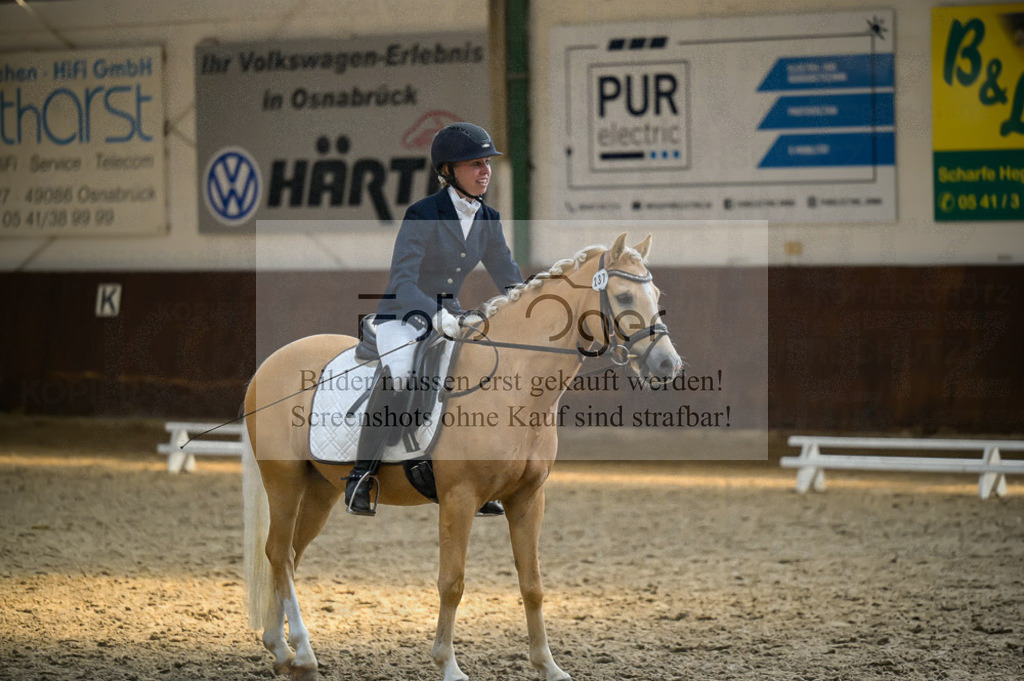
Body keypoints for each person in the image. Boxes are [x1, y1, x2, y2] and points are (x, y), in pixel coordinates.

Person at [346, 122, 524, 516]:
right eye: (475, 164)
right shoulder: (423, 213)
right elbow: (402, 281)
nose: (485, 171)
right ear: (448, 171)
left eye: (487, 163)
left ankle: (474, 477)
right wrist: (435, 315)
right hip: (404, 313)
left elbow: (510, 277)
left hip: (452, 316)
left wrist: (532, 306)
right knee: (400, 375)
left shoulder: (488, 219)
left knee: (480, 375)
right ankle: (361, 475)